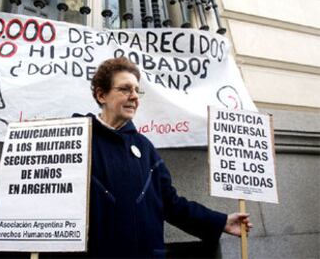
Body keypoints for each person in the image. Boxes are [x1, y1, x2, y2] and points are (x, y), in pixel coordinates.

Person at [74, 57, 252, 258]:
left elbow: (171, 203)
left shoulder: (145, 148)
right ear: (101, 95)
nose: (134, 97)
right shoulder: (76, 138)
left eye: (136, 90)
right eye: (125, 89)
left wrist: (221, 221)